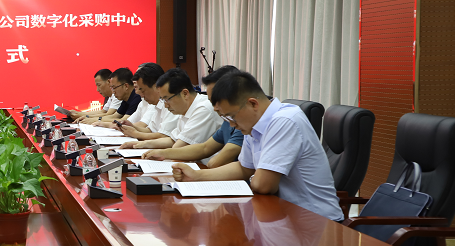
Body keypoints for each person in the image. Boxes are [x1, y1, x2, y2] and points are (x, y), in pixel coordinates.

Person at [172, 71, 343, 221]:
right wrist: (197, 176)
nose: (231, 125)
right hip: (281, 214)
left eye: (232, 117)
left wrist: (255, 177)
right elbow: (244, 168)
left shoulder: (285, 121)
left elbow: (263, 185)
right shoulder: (253, 125)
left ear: (253, 103)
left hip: (315, 222)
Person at [141, 65, 244, 167]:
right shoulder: (227, 121)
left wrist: (198, 173)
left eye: (217, 100)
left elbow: (215, 162)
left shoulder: (243, 124)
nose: (214, 108)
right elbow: (205, 148)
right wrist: (162, 153)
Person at [122, 68, 221, 149]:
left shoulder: (203, 109)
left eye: (167, 99)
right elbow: (172, 140)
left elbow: (178, 147)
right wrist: (139, 144)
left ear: (185, 94)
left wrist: (155, 152)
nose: (165, 105)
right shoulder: (184, 108)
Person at [113, 63, 179, 142]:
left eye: (143, 90)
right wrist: (132, 126)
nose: (141, 95)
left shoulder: (171, 104)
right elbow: (150, 130)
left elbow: (163, 136)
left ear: (156, 86)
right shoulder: (156, 104)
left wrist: (135, 134)